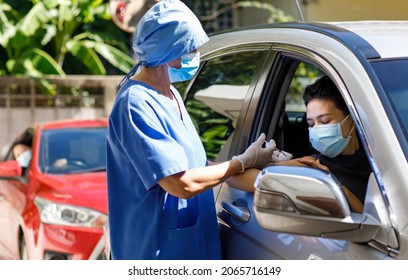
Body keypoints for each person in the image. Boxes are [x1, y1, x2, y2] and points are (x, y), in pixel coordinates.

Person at [106, 0, 278, 260]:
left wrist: (259, 165)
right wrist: (240, 163)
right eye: (190, 46)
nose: (196, 53)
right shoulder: (135, 103)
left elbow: (195, 164)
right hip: (156, 251)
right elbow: (180, 183)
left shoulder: (171, 94)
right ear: (168, 49)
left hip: (191, 243)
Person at [232, 75, 372, 213]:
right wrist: (252, 162)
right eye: (311, 124)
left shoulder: (379, 159)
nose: (317, 129)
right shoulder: (314, 165)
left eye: (324, 122)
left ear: (352, 121)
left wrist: (333, 184)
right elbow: (233, 177)